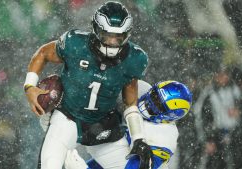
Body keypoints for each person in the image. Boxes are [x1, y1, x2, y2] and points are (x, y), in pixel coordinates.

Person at [24, 1, 150, 169]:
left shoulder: (134, 59)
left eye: (118, 37)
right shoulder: (75, 43)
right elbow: (43, 54)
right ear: (96, 30)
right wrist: (29, 86)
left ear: (127, 35)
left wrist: (138, 138)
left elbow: (130, 102)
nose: (112, 42)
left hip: (103, 124)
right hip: (68, 118)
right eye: (107, 35)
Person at [62, 80, 193, 169]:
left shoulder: (163, 139)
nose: (148, 103)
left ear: (169, 117)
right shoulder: (141, 89)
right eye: (153, 95)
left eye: (157, 105)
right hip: (119, 153)